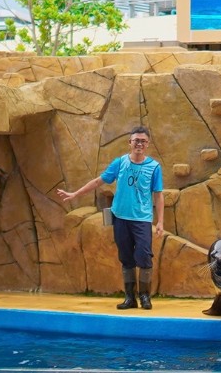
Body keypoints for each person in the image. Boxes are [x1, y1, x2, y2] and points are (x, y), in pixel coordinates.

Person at [57, 126, 164, 310]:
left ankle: (145, 296)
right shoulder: (120, 163)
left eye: (143, 141)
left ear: (147, 144)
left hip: (142, 219)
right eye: (136, 140)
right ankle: (130, 297)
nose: (139, 143)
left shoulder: (154, 167)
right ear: (129, 142)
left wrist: (160, 221)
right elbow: (99, 181)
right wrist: (75, 194)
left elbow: (158, 194)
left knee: (144, 256)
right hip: (120, 217)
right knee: (126, 257)